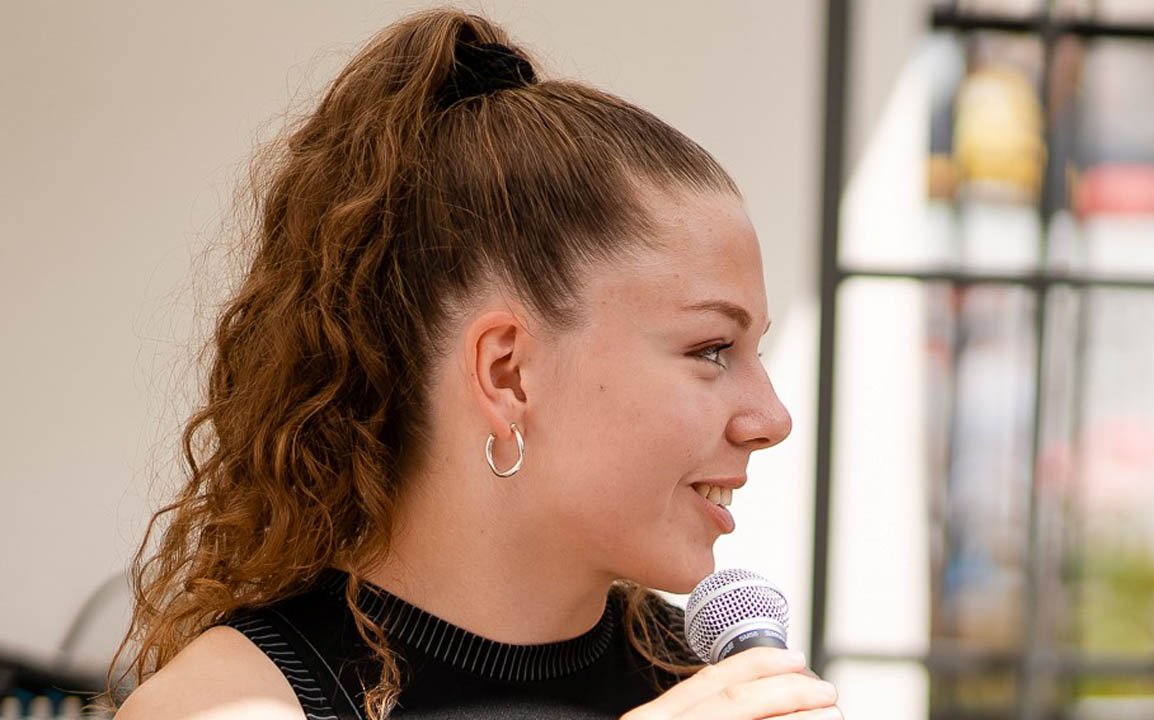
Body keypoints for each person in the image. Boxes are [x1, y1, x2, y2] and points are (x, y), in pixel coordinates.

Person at [109, 8, 842, 720]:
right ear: (506, 373)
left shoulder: (716, 687)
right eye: (712, 349)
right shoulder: (229, 705)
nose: (773, 419)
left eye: (754, 350)